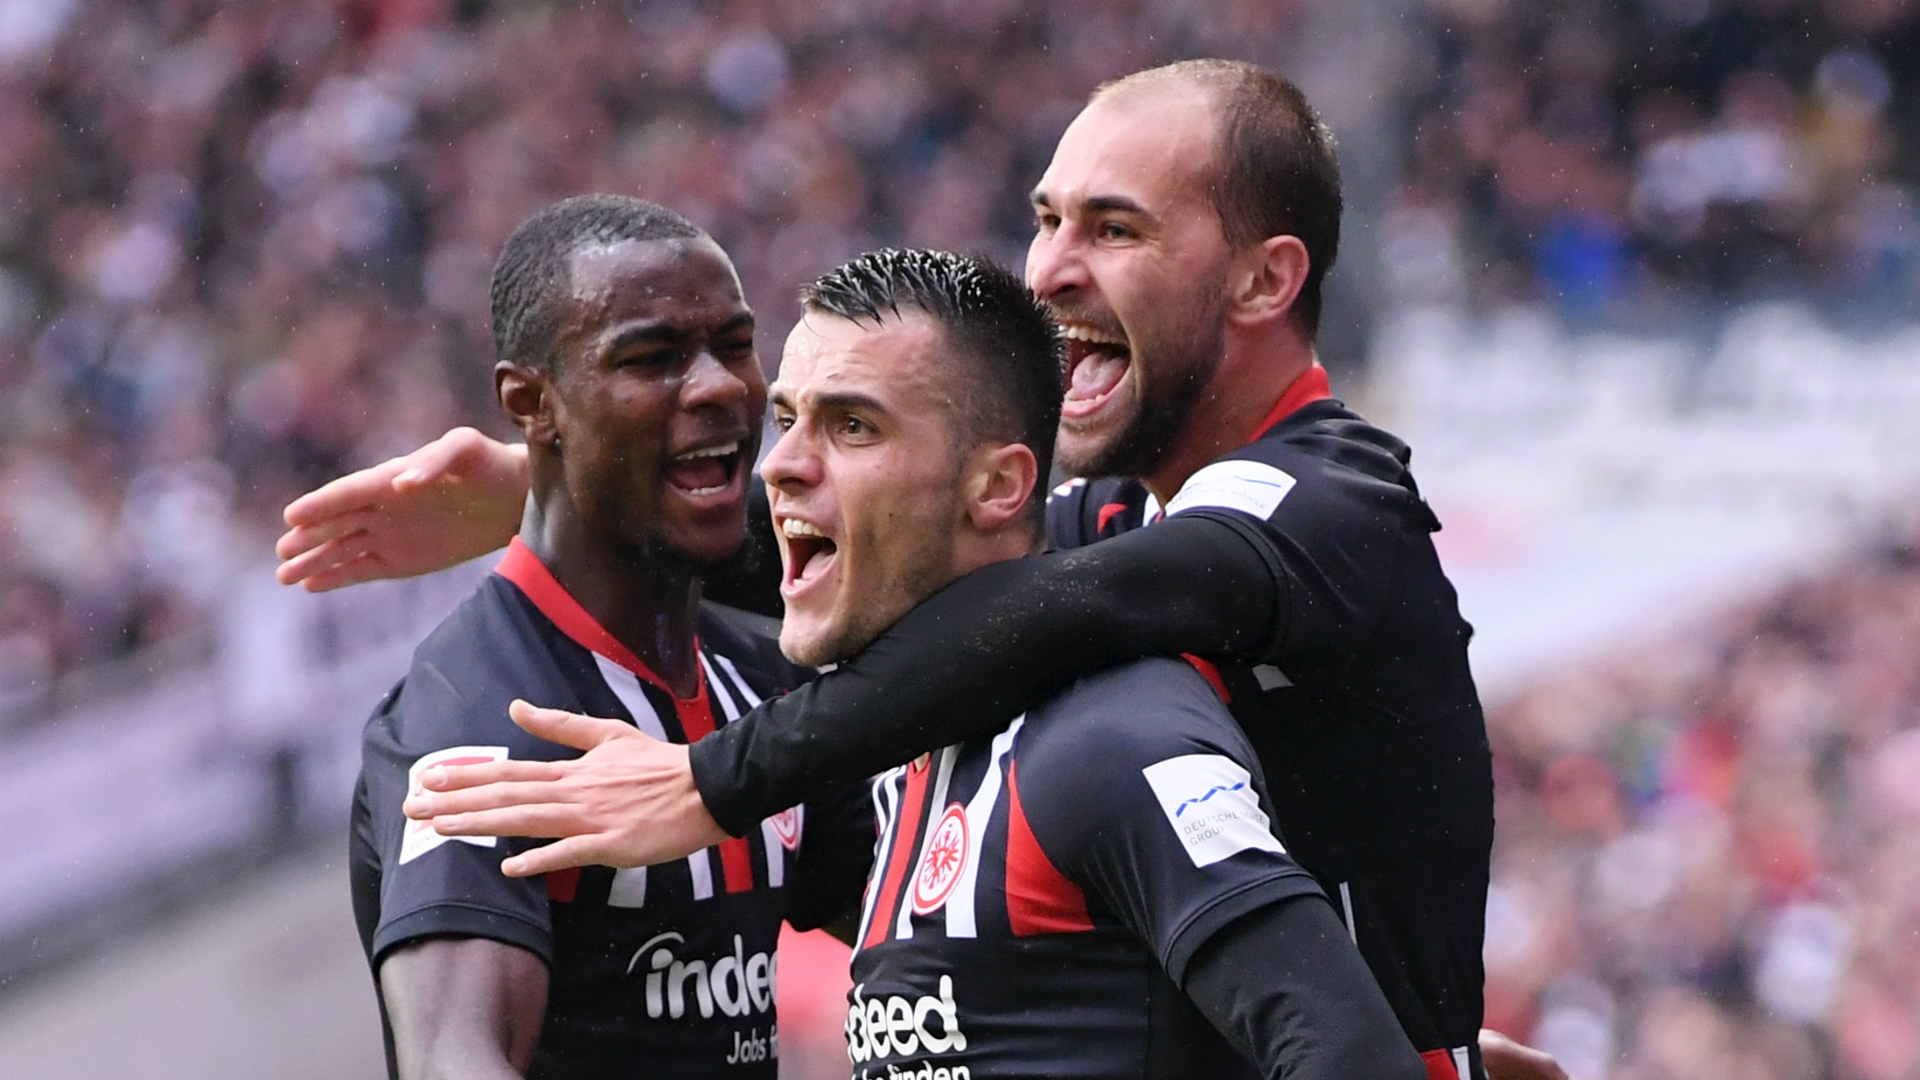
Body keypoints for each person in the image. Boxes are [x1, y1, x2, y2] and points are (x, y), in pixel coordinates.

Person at [289, 61, 1556, 1080]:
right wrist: (560, 485)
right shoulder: (1069, 579)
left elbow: (1055, 602)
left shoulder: (1303, 516)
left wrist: (715, 782)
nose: (1051, 267)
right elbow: (919, 561)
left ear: (1264, 278)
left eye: (1114, 229)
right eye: (1047, 218)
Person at [771, 245, 1423, 1077]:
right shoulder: (917, 757)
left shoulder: (1107, 739)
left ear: (999, 486)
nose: (782, 464)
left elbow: (1356, 1057)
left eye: (852, 425)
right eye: (786, 417)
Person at [348, 194, 871, 1080]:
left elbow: (933, 924)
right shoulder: (478, 716)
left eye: (736, 345)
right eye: (652, 358)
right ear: (532, 403)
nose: (716, 387)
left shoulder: (763, 676)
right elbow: (454, 1056)